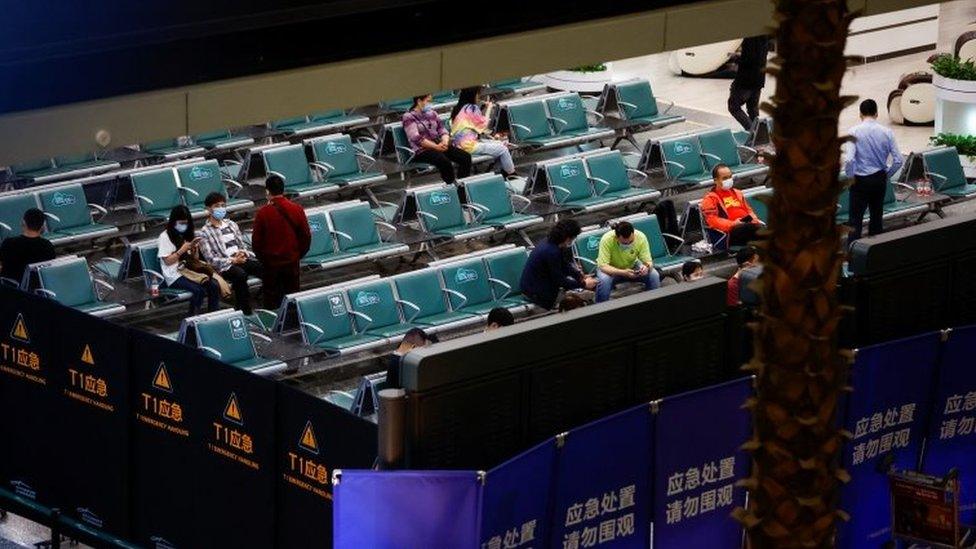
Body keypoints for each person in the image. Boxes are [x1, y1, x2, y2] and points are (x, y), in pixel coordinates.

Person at [844, 99, 904, 243]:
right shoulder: (887, 132)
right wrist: (886, 175)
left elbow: (849, 160)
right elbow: (898, 160)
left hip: (860, 181)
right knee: (877, 218)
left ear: (860, 114)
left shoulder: (853, 132)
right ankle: (875, 254)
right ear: (877, 113)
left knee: (855, 221)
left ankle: (854, 256)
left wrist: (850, 177)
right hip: (879, 179)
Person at [251, 175, 311, 310]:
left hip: (270, 265)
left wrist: (264, 259)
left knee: (272, 301)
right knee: (292, 297)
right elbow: (306, 236)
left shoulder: (263, 213)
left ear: (267, 191)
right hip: (292, 261)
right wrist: (297, 255)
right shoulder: (297, 209)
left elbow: (256, 242)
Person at [198, 192, 264, 315]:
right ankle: (244, 310)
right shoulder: (204, 232)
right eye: (217, 206)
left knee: (264, 268)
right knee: (240, 275)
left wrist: (242, 253)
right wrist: (233, 261)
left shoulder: (232, 224)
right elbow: (211, 260)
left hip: (239, 259)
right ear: (208, 209)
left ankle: (270, 305)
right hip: (224, 265)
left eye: (223, 205)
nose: (221, 208)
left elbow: (241, 245)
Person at [520, 219, 597, 310]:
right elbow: (560, 280)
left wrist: (580, 276)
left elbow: (564, 265)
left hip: (541, 286)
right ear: (568, 238)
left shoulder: (551, 243)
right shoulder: (551, 252)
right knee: (579, 301)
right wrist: (584, 284)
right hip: (536, 293)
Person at [157, 206, 220, 314]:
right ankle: (192, 319)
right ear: (174, 221)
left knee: (214, 285)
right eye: (181, 223)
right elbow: (167, 261)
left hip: (189, 269)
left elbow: (194, 260)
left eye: (186, 223)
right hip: (175, 274)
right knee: (198, 290)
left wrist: (194, 249)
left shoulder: (188, 233)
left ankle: (213, 314)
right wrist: (181, 250)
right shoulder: (165, 236)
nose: (184, 226)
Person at [403, 93, 472, 183]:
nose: (430, 104)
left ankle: (462, 185)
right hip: (422, 150)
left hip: (438, 144)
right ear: (419, 101)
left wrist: (445, 141)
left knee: (465, 157)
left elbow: (442, 129)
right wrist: (436, 147)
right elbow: (416, 138)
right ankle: (450, 186)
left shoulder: (432, 113)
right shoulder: (408, 117)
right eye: (428, 101)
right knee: (444, 161)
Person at [450, 86, 516, 178]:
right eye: (478, 95)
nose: (479, 97)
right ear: (473, 95)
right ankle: (512, 175)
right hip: (469, 146)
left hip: (458, 145)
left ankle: (499, 174)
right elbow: (484, 125)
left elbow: (472, 125)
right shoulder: (472, 108)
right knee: (503, 149)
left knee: (502, 144)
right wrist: (489, 107)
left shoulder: (457, 108)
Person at [595, 221, 661, 303]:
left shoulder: (640, 237)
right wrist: (623, 272)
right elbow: (603, 266)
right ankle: (600, 309)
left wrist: (646, 267)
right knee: (604, 280)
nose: (628, 244)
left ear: (633, 234)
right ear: (616, 237)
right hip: (611, 269)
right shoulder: (607, 239)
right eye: (624, 243)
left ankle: (654, 302)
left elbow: (648, 261)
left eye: (631, 241)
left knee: (654, 275)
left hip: (632, 265)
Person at [702, 163, 762, 249]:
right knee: (755, 229)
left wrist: (753, 219)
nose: (729, 180)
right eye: (725, 178)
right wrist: (733, 224)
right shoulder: (710, 199)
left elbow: (749, 211)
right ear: (716, 180)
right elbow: (712, 221)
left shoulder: (738, 193)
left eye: (730, 177)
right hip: (729, 233)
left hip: (748, 227)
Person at [0, 208, 56, 284]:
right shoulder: (48, 246)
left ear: (23, 223)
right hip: (35, 291)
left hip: (10, 291)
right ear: (42, 226)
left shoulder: (9, 243)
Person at [728, 35, 770, 130]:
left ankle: (754, 133)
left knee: (733, 107)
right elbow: (758, 56)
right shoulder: (764, 37)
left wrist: (735, 58)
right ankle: (760, 135)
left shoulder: (750, 38)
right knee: (753, 109)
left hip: (746, 80)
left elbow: (749, 59)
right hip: (759, 78)